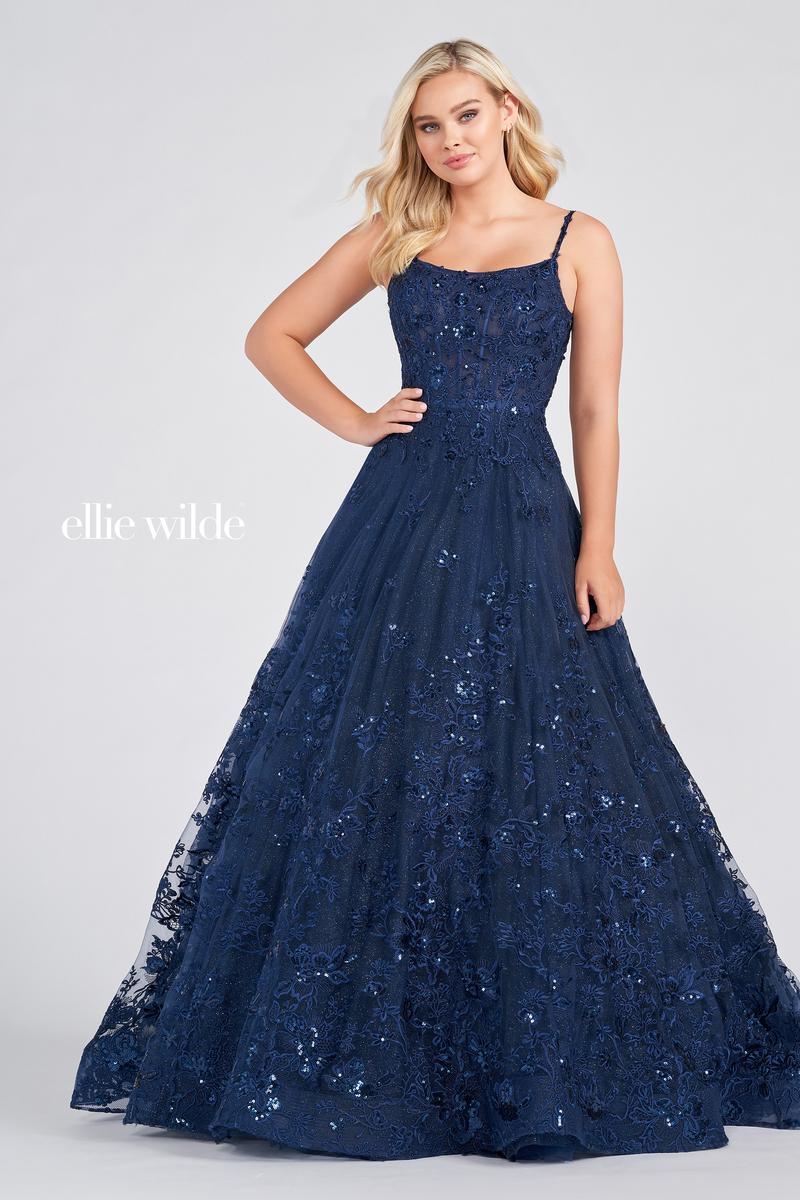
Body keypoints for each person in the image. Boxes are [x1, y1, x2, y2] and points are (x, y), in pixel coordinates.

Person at [70, 37, 800, 1162]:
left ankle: (530, 1046)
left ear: (505, 109)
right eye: (427, 125)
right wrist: (358, 419)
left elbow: (595, 410)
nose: (449, 140)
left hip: (525, 519)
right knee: (376, 750)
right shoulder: (398, 236)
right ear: (412, 140)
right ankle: (365, 1047)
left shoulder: (578, 240)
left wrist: (599, 544)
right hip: (401, 525)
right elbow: (272, 335)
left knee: (545, 757)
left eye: (464, 115)